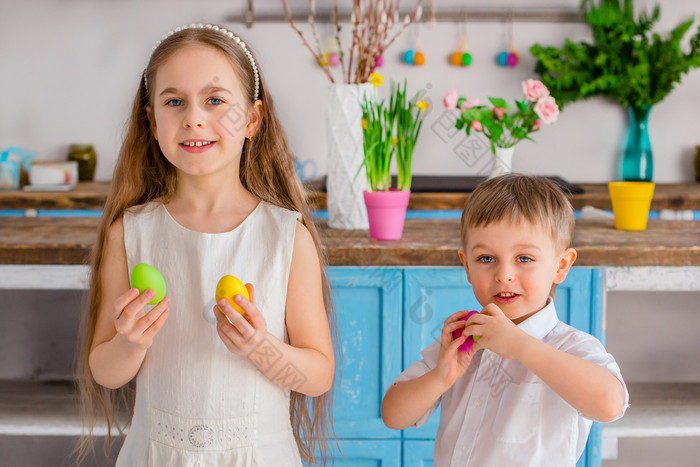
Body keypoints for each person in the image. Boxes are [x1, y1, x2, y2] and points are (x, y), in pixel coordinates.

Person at [75, 24, 335, 466]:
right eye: (174, 102)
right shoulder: (132, 232)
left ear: (251, 120)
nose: (194, 117)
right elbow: (105, 370)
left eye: (215, 100)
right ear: (152, 122)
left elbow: (318, 376)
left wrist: (260, 346)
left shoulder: (285, 235)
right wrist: (131, 342)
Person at [381, 174, 628, 466]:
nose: (504, 275)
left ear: (561, 266)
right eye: (486, 259)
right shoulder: (461, 341)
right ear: (467, 267)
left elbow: (610, 404)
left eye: (524, 258)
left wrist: (520, 345)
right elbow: (393, 416)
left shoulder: (572, 347)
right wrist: (440, 377)